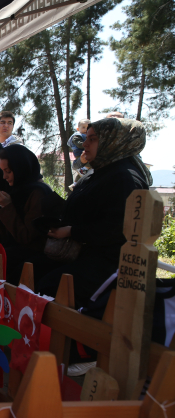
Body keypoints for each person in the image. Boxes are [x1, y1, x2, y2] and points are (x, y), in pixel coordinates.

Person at [34, 118, 152, 307]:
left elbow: (116, 229)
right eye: (86, 138)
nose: (85, 144)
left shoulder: (125, 178)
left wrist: (71, 231)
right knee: (29, 271)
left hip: (108, 265)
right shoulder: (99, 171)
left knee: (48, 288)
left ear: (113, 141)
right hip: (81, 254)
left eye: (93, 139)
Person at [0, 145, 63, 284]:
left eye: (8, 171)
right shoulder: (19, 190)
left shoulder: (38, 193)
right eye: (3, 171)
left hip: (35, 260)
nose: (4, 177)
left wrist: (7, 206)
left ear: (20, 168)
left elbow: (27, 237)